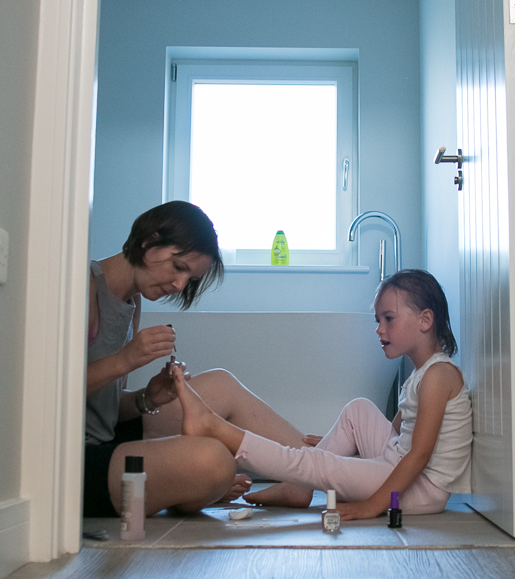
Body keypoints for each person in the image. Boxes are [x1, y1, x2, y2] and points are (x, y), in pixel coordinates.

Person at [173, 269, 473, 520]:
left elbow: (419, 454)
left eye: (389, 319)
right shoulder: (424, 373)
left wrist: (371, 506)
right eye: (377, 320)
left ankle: (214, 425)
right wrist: (339, 446)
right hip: (400, 468)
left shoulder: (438, 376)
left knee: (318, 465)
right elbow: (399, 431)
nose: (380, 329)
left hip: (419, 490)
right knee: (359, 410)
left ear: (425, 320)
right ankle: (300, 488)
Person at [84, 201, 307, 518]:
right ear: (149, 241)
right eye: (179, 268)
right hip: (75, 459)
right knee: (214, 462)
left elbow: (102, 408)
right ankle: (192, 486)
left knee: (222, 384)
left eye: (188, 279)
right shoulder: (84, 288)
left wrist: (148, 398)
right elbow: (50, 397)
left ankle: (317, 473)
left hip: (106, 436)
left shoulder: (131, 300)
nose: (179, 285)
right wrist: (124, 360)